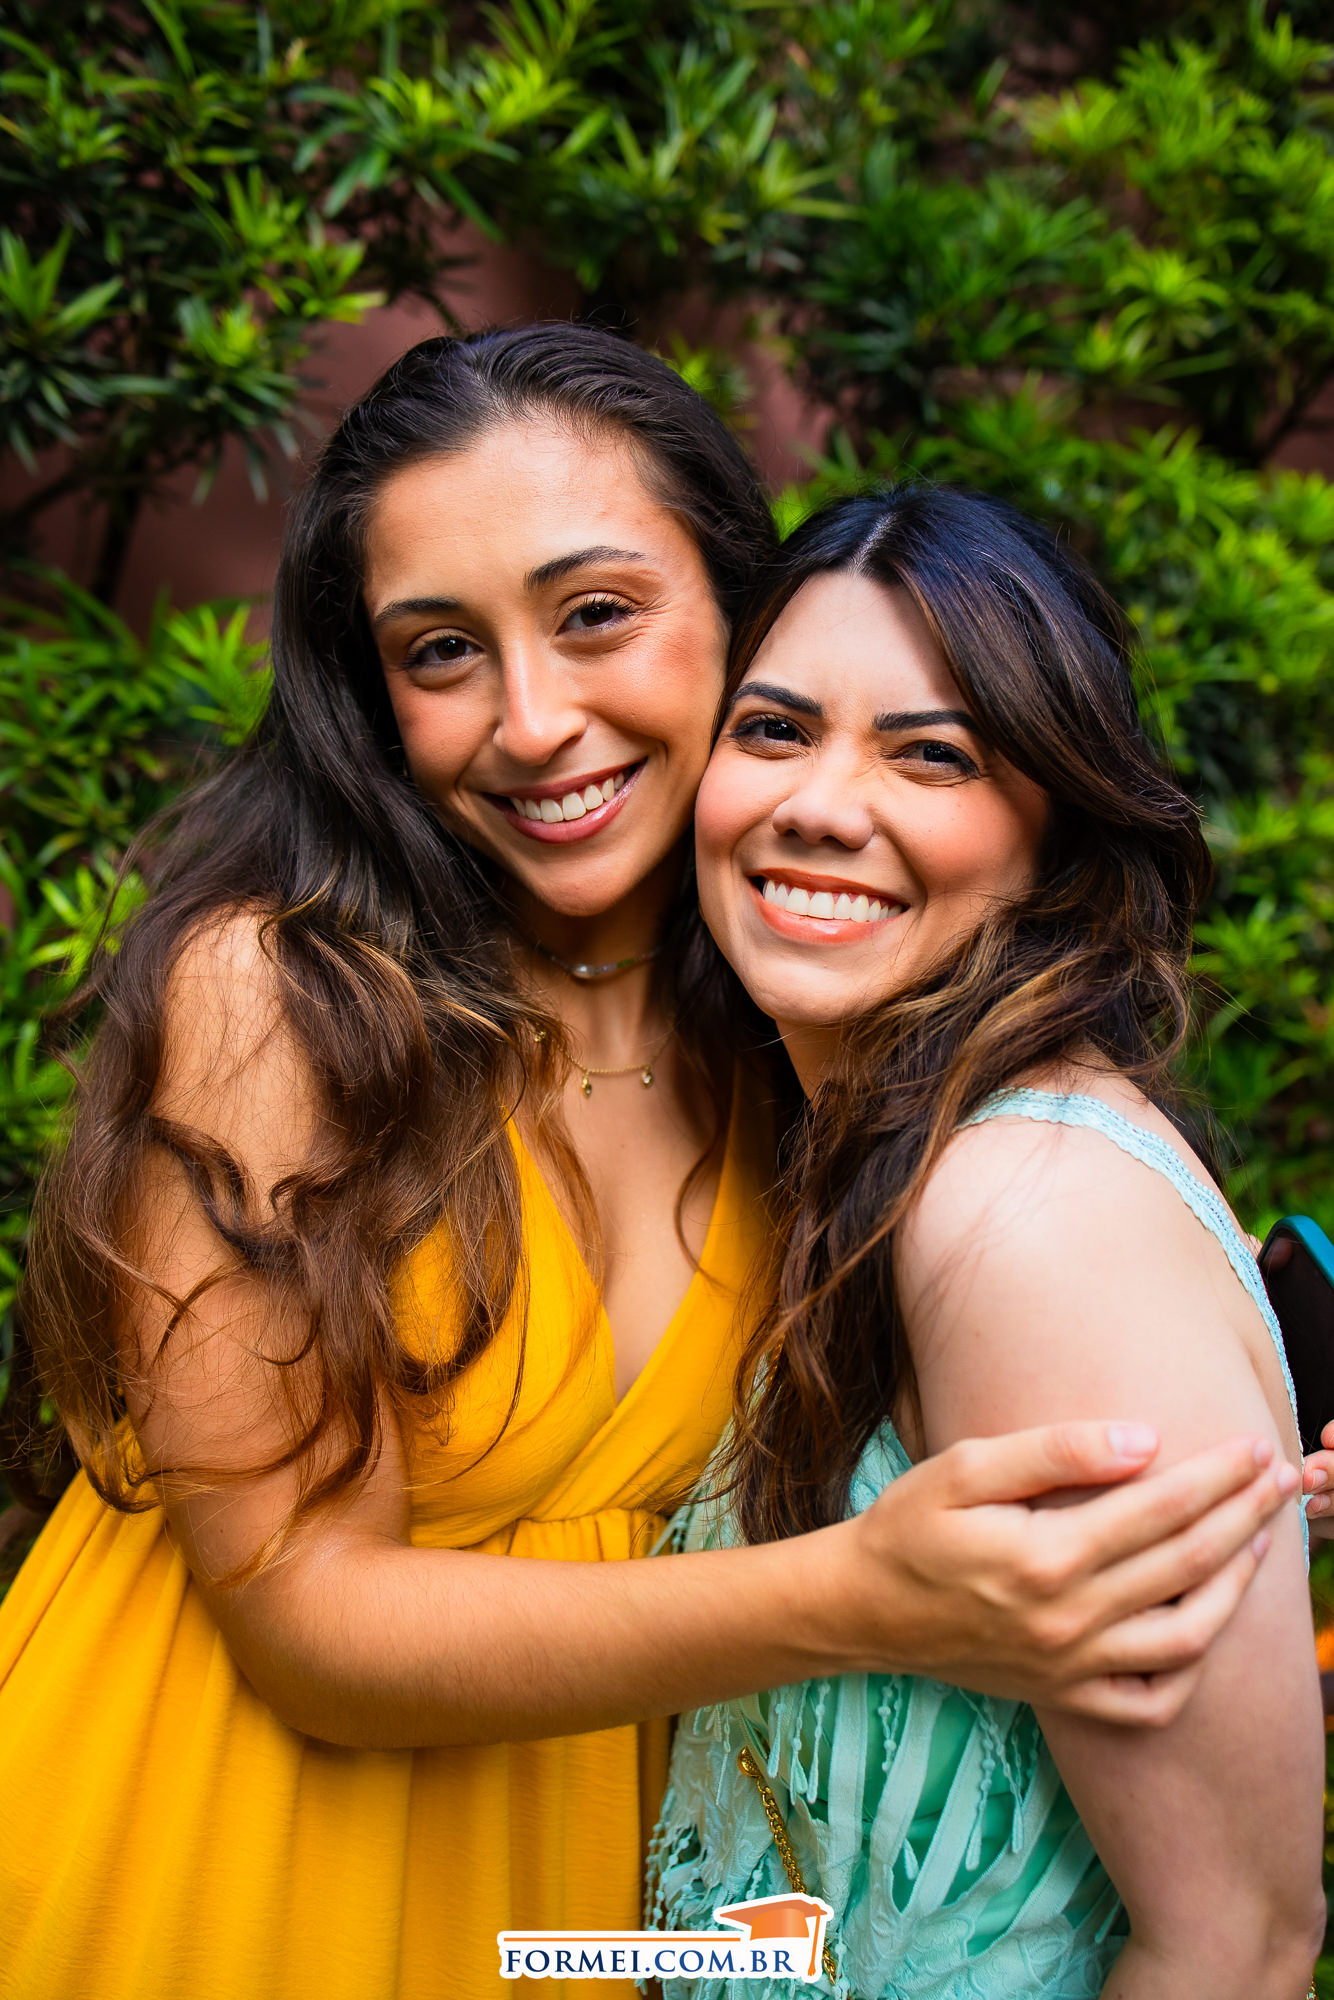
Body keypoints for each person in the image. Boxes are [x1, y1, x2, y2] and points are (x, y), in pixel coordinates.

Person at [0, 332, 1299, 2000]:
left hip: (579, 1900)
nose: (536, 720)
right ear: (371, 694)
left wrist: (1216, 1412)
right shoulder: (282, 996)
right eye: (441, 650)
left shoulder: (788, 1022)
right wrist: (867, 1593)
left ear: (740, 620)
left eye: (596, 613)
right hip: (216, 1854)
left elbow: (952, 1344)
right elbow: (306, 1629)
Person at [651, 483, 1324, 1999]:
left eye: (931, 755)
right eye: (773, 731)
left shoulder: (1018, 1211)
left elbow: (1236, 1944)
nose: (822, 805)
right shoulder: (865, 1153)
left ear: (1055, 833)